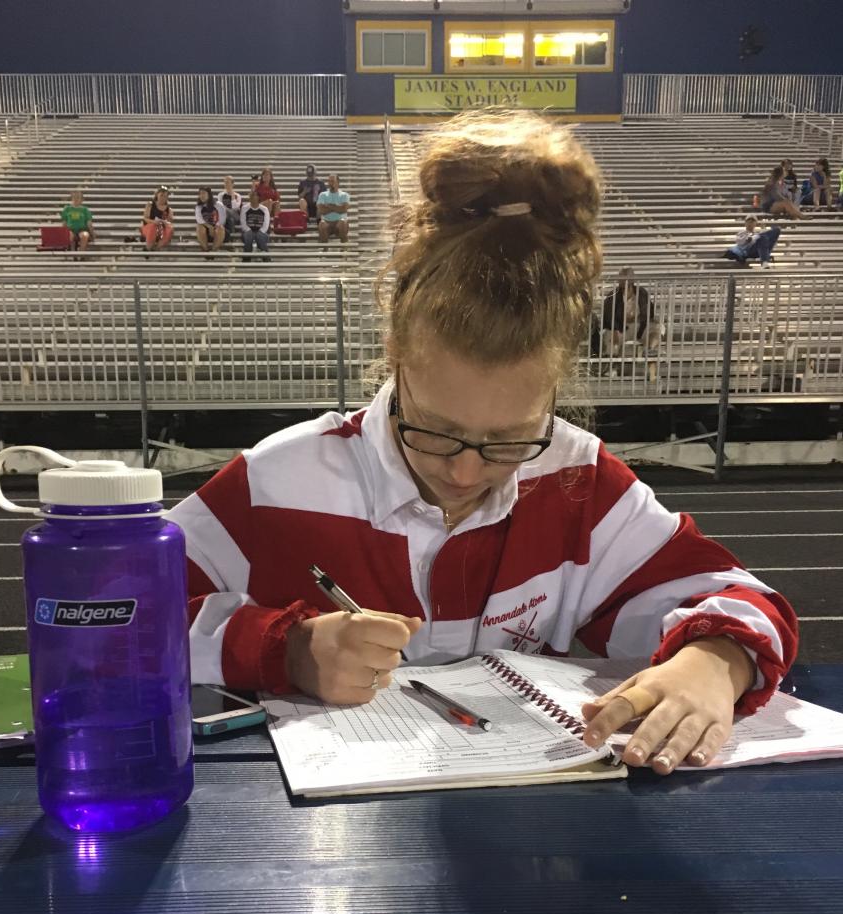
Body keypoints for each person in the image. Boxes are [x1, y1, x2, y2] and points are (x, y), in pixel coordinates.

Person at [165, 107, 797, 777]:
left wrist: (713, 664)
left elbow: (739, 600)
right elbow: (110, 621)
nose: (466, 473)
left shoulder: (576, 479)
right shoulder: (277, 482)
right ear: (394, 357)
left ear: (556, 392)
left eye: (509, 441)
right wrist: (283, 649)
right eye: (434, 432)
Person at [598, 267, 661, 357]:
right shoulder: (613, 296)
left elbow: (649, 313)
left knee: (656, 329)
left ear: (633, 279)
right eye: (622, 277)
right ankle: (611, 363)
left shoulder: (642, 293)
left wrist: (636, 318)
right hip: (620, 328)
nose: (624, 280)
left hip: (640, 326)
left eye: (627, 277)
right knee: (610, 337)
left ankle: (649, 350)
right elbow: (608, 317)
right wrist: (615, 329)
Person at [317, 174, 350, 245]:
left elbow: (344, 209)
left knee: (343, 222)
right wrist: (337, 207)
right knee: (322, 224)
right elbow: (321, 211)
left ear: (338, 183)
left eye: (332, 181)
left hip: (339, 222)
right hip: (327, 222)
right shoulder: (322, 195)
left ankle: (344, 249)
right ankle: (325, 250)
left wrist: (328, 206)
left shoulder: (344, 195)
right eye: (329, 181)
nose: (330, 183)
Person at [239, 189, 271, 260]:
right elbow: (243, 222)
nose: (253, 197)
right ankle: (246, 258)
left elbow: (266, 224)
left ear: (259, 197)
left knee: (259, 236)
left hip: (261, 233)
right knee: (249, 234)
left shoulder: (264, 209)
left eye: (255, 195)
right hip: (247, 232)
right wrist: (248, 230)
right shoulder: (245, 208)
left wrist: (260, 232)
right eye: (252, 195)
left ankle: (266, 258)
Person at [140, 186, 174, 251]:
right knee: (153, 226)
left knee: (170, 229)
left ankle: (156, 248)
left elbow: (170, 222)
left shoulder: (169, 209)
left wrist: (164, 222)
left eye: (165, 196)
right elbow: (145, 218)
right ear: (157, 195)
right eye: (161, 195)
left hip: (161, 231)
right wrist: (154, 222)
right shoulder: (150, 205)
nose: (163, 198)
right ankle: (148, 247)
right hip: (148, 228)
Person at [195, 187, 226, 252]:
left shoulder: (218, 205)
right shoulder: (198, 206)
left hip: (217, 230)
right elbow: (199, 219)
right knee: (199, 226)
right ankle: (206, 250)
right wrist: (209, 227)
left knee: (221, 228)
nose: (201, 196)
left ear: (209, 194)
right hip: (206, 231)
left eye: (203, 193)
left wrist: (214, 227)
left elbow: (222, 219)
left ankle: (213, 251)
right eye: (200, 194)